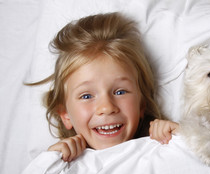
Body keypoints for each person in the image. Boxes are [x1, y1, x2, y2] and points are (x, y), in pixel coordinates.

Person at [30, 12, 179, 162]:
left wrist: (182, 139)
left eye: (120, 92)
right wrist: (48, 165)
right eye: (86, 96)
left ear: (141, 105)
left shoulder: (164, 147)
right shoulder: (59, 164)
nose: (107, 107)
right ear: (65, 115)